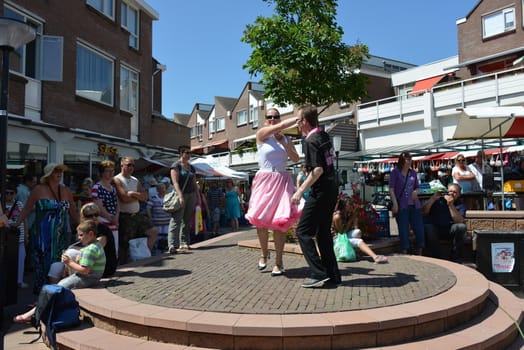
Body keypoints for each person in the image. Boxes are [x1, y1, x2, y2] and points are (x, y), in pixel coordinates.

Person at [13, 220, 106, 324]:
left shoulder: (90, 249)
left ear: (91, 234)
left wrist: (69, 262)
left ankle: (32, 315)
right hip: (93, 277)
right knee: (56, 288)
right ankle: (37, 309)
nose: (78, 238)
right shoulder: (96, 245)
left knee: (56, 289)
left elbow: (85, 270)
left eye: (81, 235)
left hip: (87, 278)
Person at [245, 107, 300, 277]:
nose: (273, 119)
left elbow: (296, 158)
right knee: (260, 221)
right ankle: (264, 253)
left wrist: (284, 141)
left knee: (279, 224)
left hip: (282, 180)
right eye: (269, 117)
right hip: (265, 180)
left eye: (275, 117)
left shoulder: (285, 138)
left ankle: (279, 261)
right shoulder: (262, 134)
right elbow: (280, 126)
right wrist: (298, 118)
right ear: (265, 119)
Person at [291, 105, 340, 288]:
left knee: (303, 232)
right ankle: (332, 274)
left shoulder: (310, 141)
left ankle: (318, 272)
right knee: (323, 234)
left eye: (298, 120)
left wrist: (299, 191)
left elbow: (317, 169)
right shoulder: (324, 135)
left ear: (304, 121)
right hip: (331, 188)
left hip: (321, 190)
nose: (296, 123)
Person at [14, 163, 78, 295]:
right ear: (49, 175)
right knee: (43, 266)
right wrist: (15, 224)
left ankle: (55, 295)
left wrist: (85, 227)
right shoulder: (38, 189)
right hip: (43, 235)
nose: (59, 173)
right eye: (56, 171)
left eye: (60, 171)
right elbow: (26, 209)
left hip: (60, 235)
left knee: (59, 265)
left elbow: (73, 212)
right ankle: (42, 298)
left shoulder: (65, 190)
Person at [48, 202, 117, 281]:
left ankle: (72, 284)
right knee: (55, 267)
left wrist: (75, 256)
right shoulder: (82, 229)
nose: (94, 217)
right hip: (86, 263)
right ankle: (55, 291)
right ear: (83, 217)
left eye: (96, 214)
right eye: (89, 216)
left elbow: (96, 247)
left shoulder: (103, 230)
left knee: (71, 254)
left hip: (102, 267)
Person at [113, 156, 158, 264]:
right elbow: (124, 198)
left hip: (137, 215)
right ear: (122, 165)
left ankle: (142, 256)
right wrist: (138, 196)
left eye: (133, 165)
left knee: (153, 232)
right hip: (125, 216)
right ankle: (125, 267)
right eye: (128, 165)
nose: (131, 167)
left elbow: (145, 196)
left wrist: (132, 193)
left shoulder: (135, 180)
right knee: (125, 245)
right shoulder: (117, 179)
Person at [332, 195, 388, 264]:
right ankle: (375, 257)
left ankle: (351, 251)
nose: (351, 206)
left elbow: (356, 228)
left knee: (357, 232)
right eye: (349, 204)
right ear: (344, 205)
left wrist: (355, 219)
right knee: (359, 241)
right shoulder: (337, 216)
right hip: (336, 239)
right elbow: (341, 233)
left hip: (344, 235)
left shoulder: (347, 214)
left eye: (352, 204)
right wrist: (351, 220)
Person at [389, 152, 425, 255]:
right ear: (402, 161)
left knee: (419, 228)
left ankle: (420, 252)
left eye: (410, 159)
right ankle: (405, 251)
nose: (409, 162)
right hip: (402, 204)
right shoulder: (395, 173)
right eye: (407, 160)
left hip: (414, 204)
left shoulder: (413, 172)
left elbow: (417, 186)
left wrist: (416, 192)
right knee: (403, 230)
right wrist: (395, 203)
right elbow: (391, 189)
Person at [423, 183, 467, 262]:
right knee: (428, 227)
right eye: (449, 191)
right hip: (436, 228)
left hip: (450, 229)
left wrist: (451, 205)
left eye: (454, 192)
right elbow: (424, 212)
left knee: (462, 227)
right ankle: (437, 257)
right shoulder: (438, 200)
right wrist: (432, 199)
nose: (451, 194)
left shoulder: (460, 204)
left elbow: (459, 221)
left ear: (459, 194)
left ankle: (455, 256)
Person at [168, 146, 200, 253]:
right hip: (181, 195)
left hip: (191, 195)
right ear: (181, 154)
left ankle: (184, 242)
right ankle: (172, 244)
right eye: (187, 153)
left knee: (187, 220)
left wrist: (198, 196)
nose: (189, 155)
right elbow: (175, 182)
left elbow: (194, 183)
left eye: (190, 153)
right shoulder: (175, 166)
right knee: (176, 219)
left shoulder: (191, 167)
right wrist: (180, 196)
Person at [91, 160, 120, 257]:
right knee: (104, 248)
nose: (111, 173)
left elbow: (117, 204)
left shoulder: (113, 188)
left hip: (113, 222)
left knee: (114, 248)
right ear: (102, 172)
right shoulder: (97, 187)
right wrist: (110, 218)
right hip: (103, 221)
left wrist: (116, 217)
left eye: (112, 170)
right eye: (108, 170)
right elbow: (98, 205)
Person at [4, 184, 29, 288]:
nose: (9, 195)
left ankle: (19, 281)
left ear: (15, 194)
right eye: (6, 193)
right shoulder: (1, 204)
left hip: (20, 235)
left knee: (20, 259)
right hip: (5, 236)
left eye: (11, 193)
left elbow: (24, 220)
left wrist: (27, 234)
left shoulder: (19, 204)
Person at [146, 182, 171, 252]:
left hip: (167, 222)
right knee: (158, 239)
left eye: (164, 188)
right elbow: (148, 208)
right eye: (161, 188)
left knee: (167, 238)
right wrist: (150, 218)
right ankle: (158, 254)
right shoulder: (153, 198)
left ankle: (166, 251)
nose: (163, 190)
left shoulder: (169, 197)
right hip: (157, 222)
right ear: (157, 190)